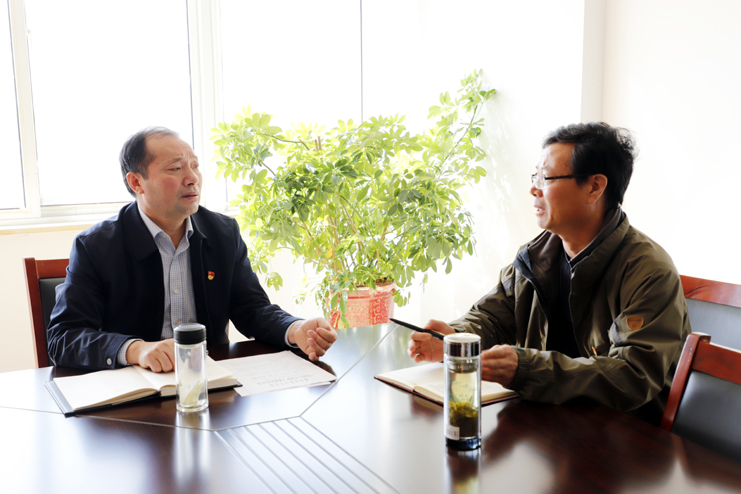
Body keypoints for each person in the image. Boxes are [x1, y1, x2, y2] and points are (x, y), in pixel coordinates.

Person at [407, 122, 689, 424]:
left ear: (594, 187)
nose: (534, 188)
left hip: (624, 435)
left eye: (546, 177)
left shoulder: (649, 271)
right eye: (535, 176)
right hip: (552, 424)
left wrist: (527, 368)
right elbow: (493, 317)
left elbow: (631, 376)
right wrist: (456, 336)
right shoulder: (536, 257)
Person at [48, 127, 336, 372]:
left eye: (195, 166)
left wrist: (294, 328)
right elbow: (63, 337)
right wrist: (136, 349)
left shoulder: (223, 233)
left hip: (210, 381)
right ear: (136, 182)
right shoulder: (96, 246)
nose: (192, 178)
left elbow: (251, 308)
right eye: (175, 168)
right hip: (134, 388)